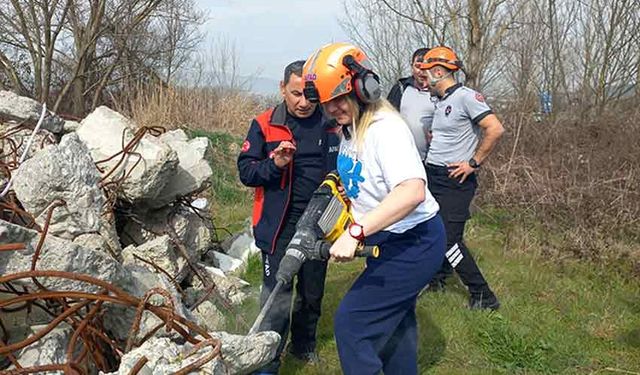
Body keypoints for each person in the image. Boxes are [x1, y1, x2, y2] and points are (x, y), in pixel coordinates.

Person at [302, 42, 446, 375]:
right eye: (326, 103)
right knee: (396, 327)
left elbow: (411, 191)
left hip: (415, 241)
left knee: (352, 326)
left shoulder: (386, 129)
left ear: (363, 86)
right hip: (390, 240)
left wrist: (356, 231)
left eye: (338, 98)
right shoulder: (351, 128)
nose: (333, 109)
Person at [237, 60, 340, 374]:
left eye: (309, 94)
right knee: (277, 292)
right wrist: (275, 164)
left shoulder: (331, 122)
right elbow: (246, 172)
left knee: (312, 291)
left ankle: (304, 345)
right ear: (282, 89)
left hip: (319, 223)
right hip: (278, 226)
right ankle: (268, 359)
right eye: (296, 93)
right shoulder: (264, 124)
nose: (304, 102)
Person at [419, 46, 505, 310]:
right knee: (433, 230)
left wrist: (473, 163)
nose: (422, 79)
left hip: (453, 180)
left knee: (448, 239)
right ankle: (438, 278)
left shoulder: (466, 97)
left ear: (438, 71)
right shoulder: (441, 101)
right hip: (433, 175)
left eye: (425, 74)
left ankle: (483, 295)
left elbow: (495, 128)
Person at [387, 47, 434, 161]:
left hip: (431, 161)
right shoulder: (401, 88)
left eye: (426, 67)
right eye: (418, 66)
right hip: (402, 159)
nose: (422, 71)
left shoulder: (440, 92)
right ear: (412, 66)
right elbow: (386, 119)